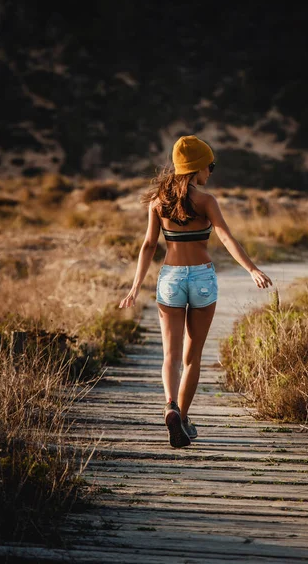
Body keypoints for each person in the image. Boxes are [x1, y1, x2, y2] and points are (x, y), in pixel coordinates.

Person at [119, 135, 272, 448]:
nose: (211, 172)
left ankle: (170, 407)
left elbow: (148, 245)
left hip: (170, 280)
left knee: (171, 355)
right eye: (209, 166)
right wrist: (252, 269)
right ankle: (184, 419)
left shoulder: (157, 203)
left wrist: (135, 288)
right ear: (197, 168)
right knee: (192, 357)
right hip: (202, 278)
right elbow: (227, 238)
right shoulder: (206, 201)